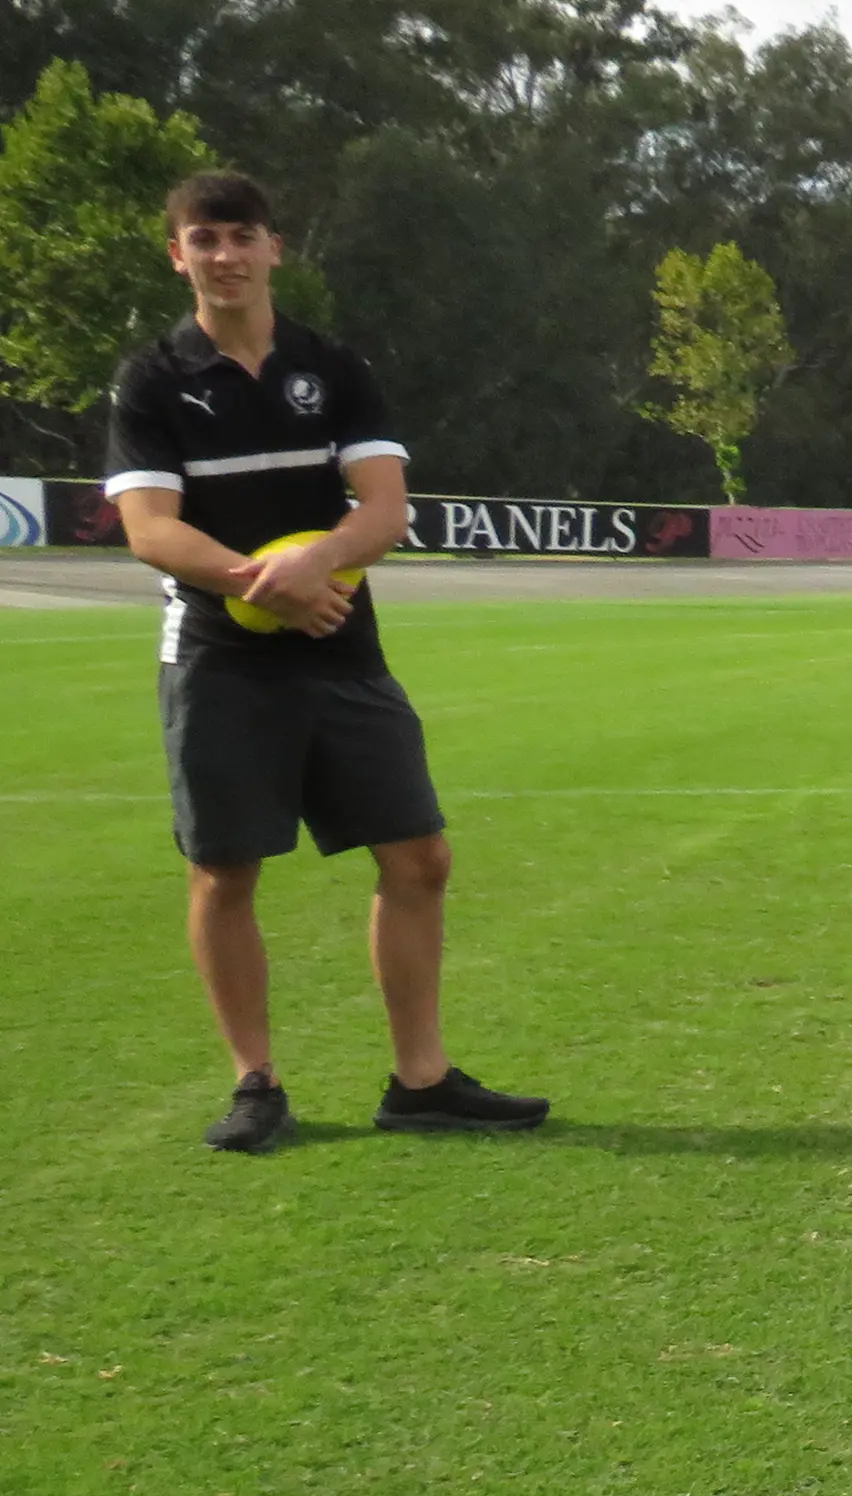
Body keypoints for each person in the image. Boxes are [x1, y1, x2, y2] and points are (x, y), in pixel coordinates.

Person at [103, 172, 546, 1153]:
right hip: (217, 658)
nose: (226, 255)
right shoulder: (151, 379)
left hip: (342, 648)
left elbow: (384, 508)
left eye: (242, 236)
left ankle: (421, 1081)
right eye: (205, 239)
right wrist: (264, 583)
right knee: (224, 870)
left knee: (418, 856)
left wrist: (319, 563)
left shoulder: (333, 366)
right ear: (177, 256)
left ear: (275, 248)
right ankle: (255, 1083)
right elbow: (149, 530)